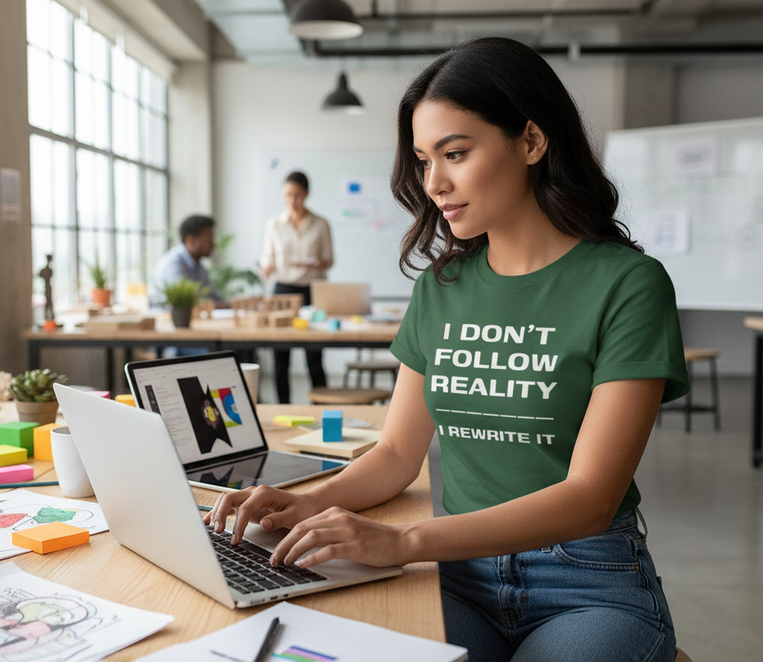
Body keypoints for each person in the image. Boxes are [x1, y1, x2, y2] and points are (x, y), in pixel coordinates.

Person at [209, 37, 690, 662]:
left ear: (532, 142)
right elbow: (395, 453)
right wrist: (302, 501)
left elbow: (591, 496)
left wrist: (404, 542)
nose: (434, 182)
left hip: (585, 581)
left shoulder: (628, 284)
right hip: (455, 572)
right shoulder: (443, 286)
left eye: (455, 154)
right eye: (423, 159)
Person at [259, 171, 334, 403]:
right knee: (281, 357)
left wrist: (319, 263)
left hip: (312, 290)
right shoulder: (274, 224)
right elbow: (266, 257)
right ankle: (283, 408)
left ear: (307, 194)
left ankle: (321, 408)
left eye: (297, 195)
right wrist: (266, 266)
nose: (292, 200)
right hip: (282, 290)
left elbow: (329, 260)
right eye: (288, 195)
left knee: (314, 356)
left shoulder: (320, 224)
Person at [149, 214, 225, 308]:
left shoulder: (199, 267)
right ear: (191, 240)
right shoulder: (172, 264)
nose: (214, 244)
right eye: (209, 238)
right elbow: (185, 303)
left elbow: (213, 297)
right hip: (170, 321)